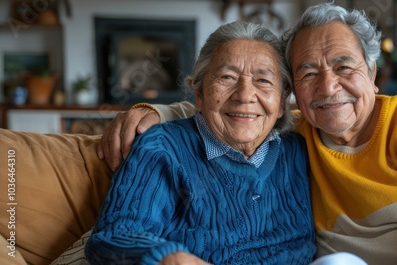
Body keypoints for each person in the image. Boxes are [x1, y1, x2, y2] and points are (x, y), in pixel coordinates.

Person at [98, 2, 397, 264]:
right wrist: (154, 111)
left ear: (373, 74)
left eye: (344, 67)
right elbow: (239, 110)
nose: (328, 88)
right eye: (309, 72)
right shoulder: (292, 133)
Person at [85, 20, 317, 264]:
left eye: (263, 81)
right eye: (227, 77)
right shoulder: (161, 148)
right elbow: (113, 236)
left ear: (282, 101)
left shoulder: (299, 150)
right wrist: (168, 257)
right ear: (199, 93)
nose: (245, 96)